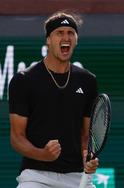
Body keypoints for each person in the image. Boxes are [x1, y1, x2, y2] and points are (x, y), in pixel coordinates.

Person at [9, 10, 99, 188]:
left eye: (70, 33)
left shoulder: (88, 81)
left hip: (77, 176)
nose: (66, 37)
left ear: (76, 40)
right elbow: (17, 137)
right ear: (48, 40)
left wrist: (87, 157)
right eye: (59, 33)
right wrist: (42, 154)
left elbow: (86, 135)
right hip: (35, 176)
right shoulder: (24, 80)